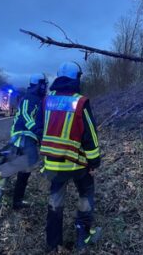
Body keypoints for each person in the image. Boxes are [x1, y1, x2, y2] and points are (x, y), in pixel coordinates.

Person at [37, 62, 101, 252]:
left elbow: (39, 129)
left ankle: (52, 243)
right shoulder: (80, 102)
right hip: (77, 164)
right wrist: (94, 162)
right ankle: (83, 237)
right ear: (77, 78)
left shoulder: (47, 101)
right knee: (85, 196)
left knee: (55, 203)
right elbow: (90, 136)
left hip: (53, 166)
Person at [0, 73, 48, 209]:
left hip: (29, 137)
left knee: (25, 170)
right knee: (29, 160)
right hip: (23, 135)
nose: (45, 87)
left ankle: (17, 202)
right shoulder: (30, 98)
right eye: (43, 85)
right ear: (39, 84)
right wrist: (37, 130)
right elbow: (26, 116)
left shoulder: (38, 99)